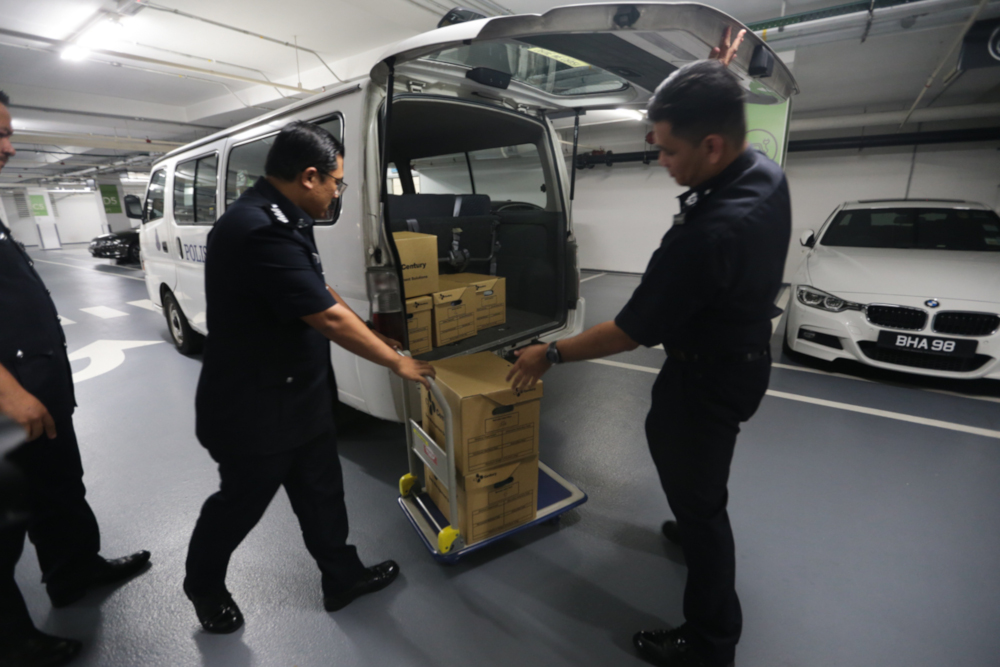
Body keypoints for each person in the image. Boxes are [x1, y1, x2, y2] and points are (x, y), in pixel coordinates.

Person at [507, 32, 792, 667]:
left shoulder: (708, 235)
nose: (660, 160)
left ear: (711, 145)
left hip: (708, 377)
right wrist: (713, 72)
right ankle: (692, 520)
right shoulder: (761, 170)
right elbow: (716, 110)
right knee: (689, 472)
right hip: (740, 358)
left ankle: (711, 640)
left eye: (666, 151)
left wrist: (546, 356)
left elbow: (629, 330)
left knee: (699, 495)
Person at [184, 120, 435, 633]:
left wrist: (371, 331)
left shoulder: (288, 219)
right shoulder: (256, 228)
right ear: (309, 176)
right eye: (337, 183)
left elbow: (320, 292)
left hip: (300, 396)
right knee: (240, 505)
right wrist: (396, 362)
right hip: (254, 408)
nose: (337, 192)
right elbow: (325, 318)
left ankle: (341, 577)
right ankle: (203, 584)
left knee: (322, 494)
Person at [0, 90, 151, 667]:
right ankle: (12, 641)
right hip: (8, 404)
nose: (10, 147)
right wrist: (11, 393)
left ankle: (75, 572)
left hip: (36, 394)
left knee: (60, 490)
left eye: (10, 133)